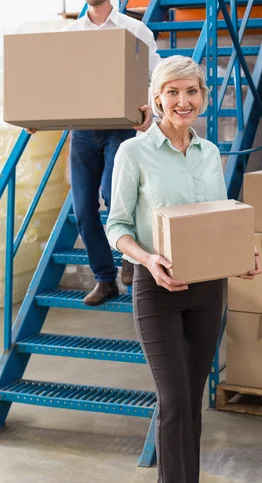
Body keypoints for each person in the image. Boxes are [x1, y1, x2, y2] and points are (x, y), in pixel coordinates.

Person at [106, 55, 261, 483]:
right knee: (173, 398)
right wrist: (148, 258)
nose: (183, 101)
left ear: (203, 96)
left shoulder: (210, 152)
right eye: (172, 92)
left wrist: (241, 255)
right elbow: (118, 226)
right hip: (157, 289)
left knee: (191, 399)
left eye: (191, 91)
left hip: (206, 290)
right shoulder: (133, 152)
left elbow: (215, 222)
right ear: (157, 97)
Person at [27, 0, 160, 306]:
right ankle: (105, 279)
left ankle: (130, 255)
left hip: (121, 127)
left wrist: (151, 108)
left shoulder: (134, 29)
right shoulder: (71, 33)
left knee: (115, 195)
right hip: (83, 131)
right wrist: (34, 114)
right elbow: (57, 84)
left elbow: (156, 77)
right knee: (84, 208)